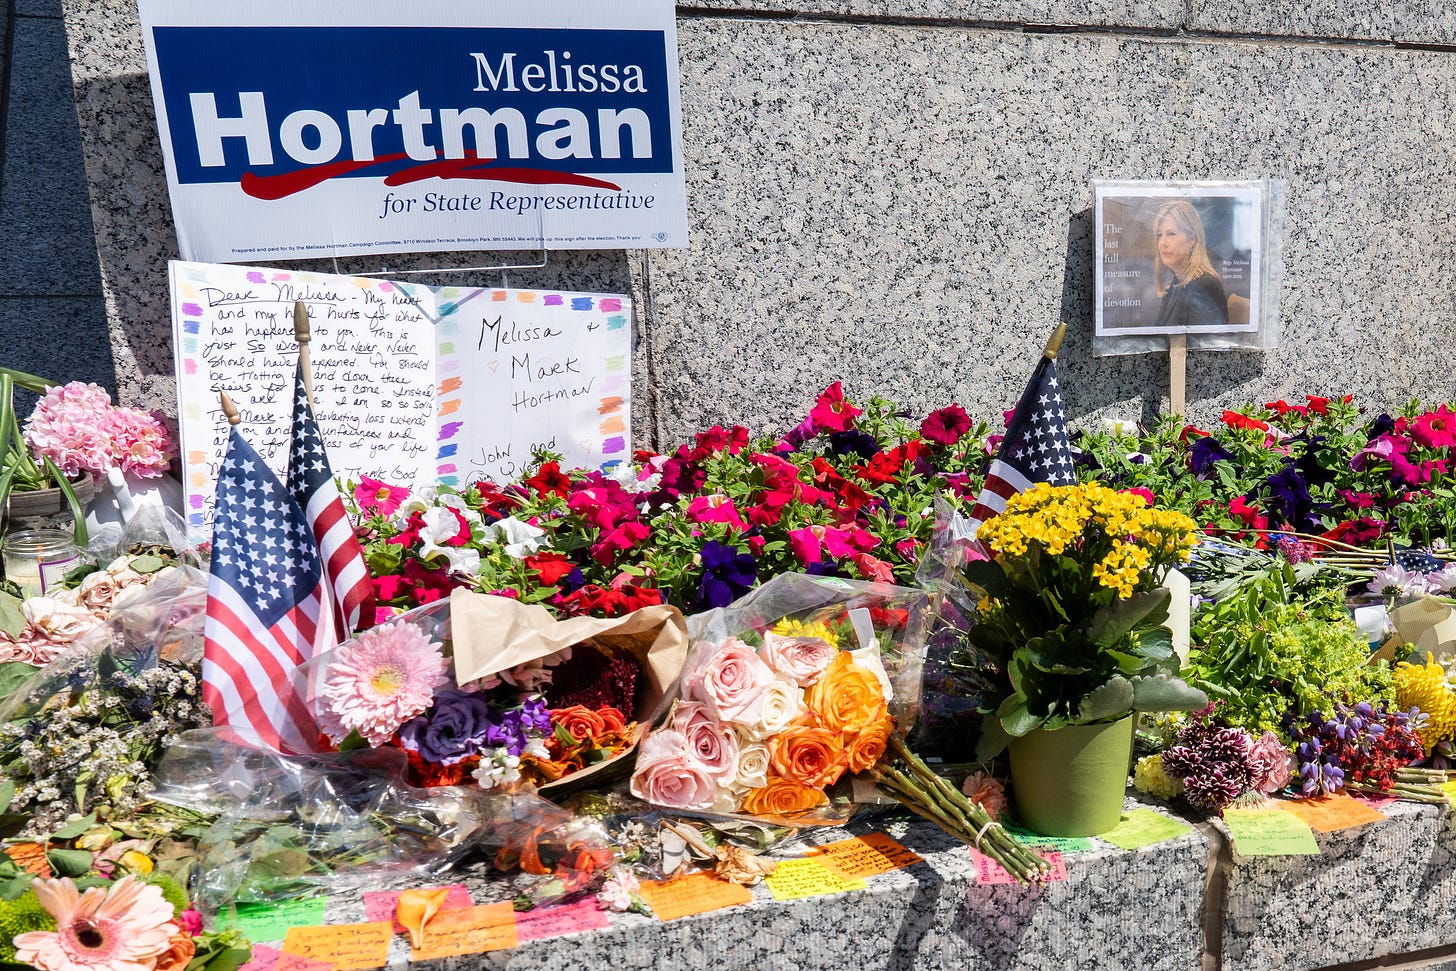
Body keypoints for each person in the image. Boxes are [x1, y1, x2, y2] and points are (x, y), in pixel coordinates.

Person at [1150, 200, 1229, 330]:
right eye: (1159, 235)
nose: (1163, 243)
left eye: (1171, 234)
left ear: (1192, 239)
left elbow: (1204, 341)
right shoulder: (1176, 284)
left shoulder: (1205, 286)